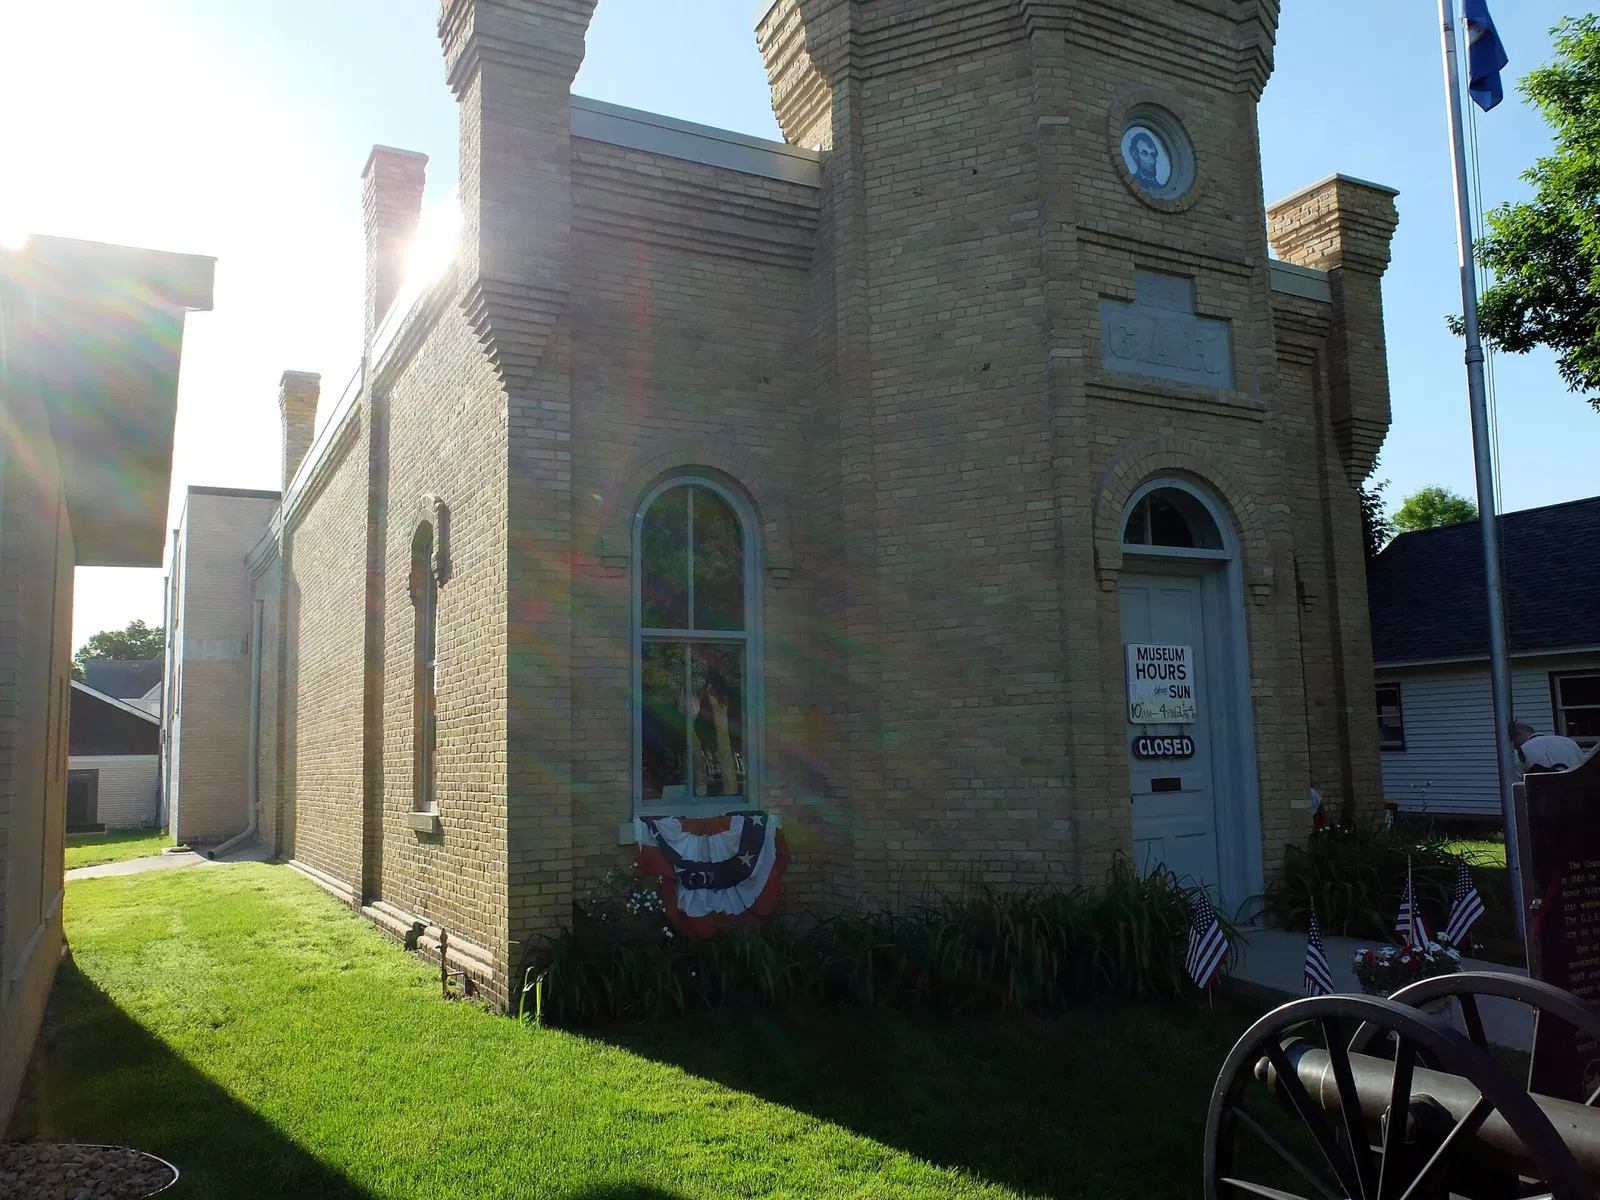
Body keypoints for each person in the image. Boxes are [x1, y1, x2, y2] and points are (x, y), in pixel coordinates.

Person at [1510, 720, 1586, 773]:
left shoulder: (1522, 750)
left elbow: (1519, 783)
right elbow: (1584, 766)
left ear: (1519, 735)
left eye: (1513, 740)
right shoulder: (1568, 742)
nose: (1514, 745)